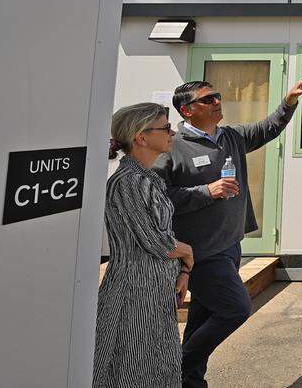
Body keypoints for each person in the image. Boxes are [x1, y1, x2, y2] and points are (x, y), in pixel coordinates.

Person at [158, 75, 302, 387]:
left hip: (229, 245)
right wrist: (208, 190)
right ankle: (170, 371)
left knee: (202, 316)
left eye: (217, 96)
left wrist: (289, 101)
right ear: (187, 111)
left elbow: (268, 128)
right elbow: (159, 197)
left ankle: (188, 380)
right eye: (208, 99)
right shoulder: (172, 147)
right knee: (235, 309)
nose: (217, 102)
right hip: (198, 252)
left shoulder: (230, 137)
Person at [95, 103, 194, 388]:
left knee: (154, 366)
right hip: (134, 290)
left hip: (154, 289)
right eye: (165, 127)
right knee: (131, 369)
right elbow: (157, 242)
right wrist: (187, 252)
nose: (172, 132)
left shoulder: (145, 179)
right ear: (141, 137)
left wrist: (183, 271)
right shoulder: (129, 182)